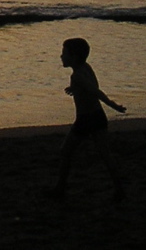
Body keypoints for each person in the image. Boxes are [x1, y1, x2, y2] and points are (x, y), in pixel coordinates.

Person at [47, 37, 127, 201]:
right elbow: (88, 87)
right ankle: (119, 189)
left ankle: (60, 189)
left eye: (64, 53)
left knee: (65, 151)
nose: (61, 56)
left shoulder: (77, 76)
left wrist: (113, 105)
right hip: (98, 116)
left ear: (74, 57)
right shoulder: (86, 68)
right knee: (105, 154)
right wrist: (74, 89)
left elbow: (95, 91)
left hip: (85, 119)